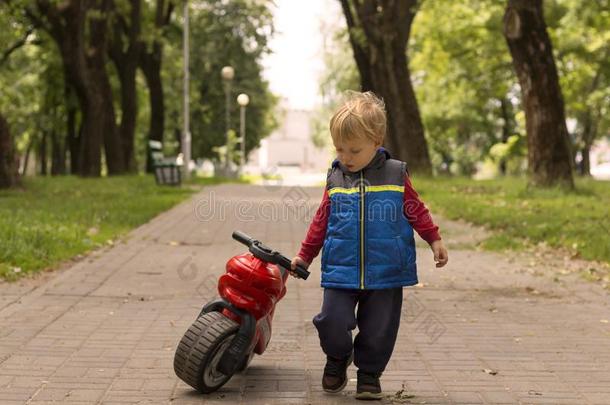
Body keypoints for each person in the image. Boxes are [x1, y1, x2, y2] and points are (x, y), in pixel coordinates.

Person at [290, 91, 448, 400]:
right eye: (339, 148)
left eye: (354, 150)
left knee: (379, 329)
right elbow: (321, 221)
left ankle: (369, 374)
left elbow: (416, 209)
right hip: (341, 268)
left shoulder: (396, 174)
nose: (345, 157)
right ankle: (337, 358)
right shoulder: (336, 177)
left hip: (386, 270)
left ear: (377, 140)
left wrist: (434, 239)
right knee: (331, 320)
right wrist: (304, 256)